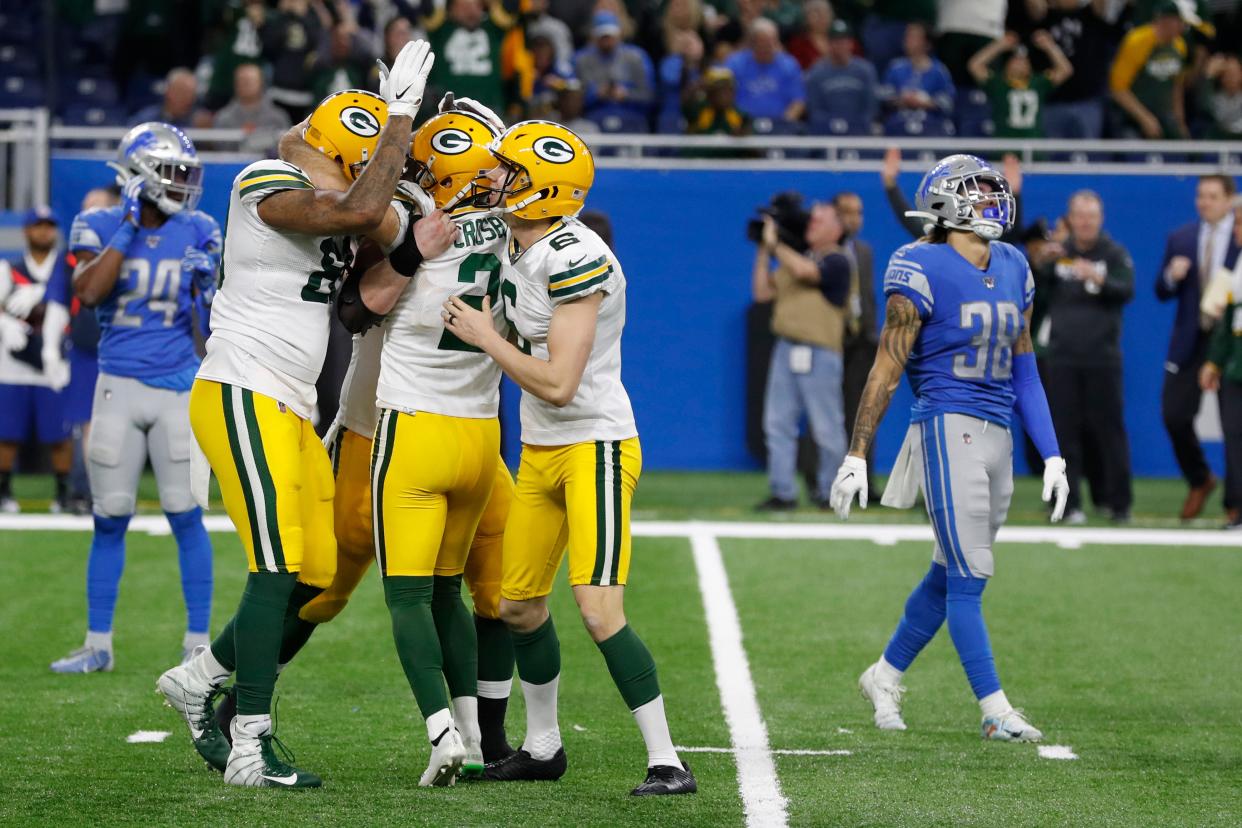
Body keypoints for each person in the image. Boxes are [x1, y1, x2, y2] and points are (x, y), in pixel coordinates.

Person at [154, 42, 436, 789]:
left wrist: (417, 192)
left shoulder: (344, 193)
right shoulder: (264, 181)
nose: (305, 142)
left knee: (316, 576)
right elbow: (361, 206)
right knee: (275, 565)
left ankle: (200, 675)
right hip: (241, 389)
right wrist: (399, 121)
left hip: (290, 405)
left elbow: (394, 227)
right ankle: (249, 741)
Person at [442, 121, 696, 796]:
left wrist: (481, 336)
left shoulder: (575, 254)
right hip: (543, 449)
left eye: (510, 173)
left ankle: (667, 759)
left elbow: (558, 381)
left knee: (597, 609)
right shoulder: (519, 241)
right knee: (517, 604)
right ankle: (544, 745)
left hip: (596, 445)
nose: (496, 180)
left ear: (545, 191)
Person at [272, 98, 519, 781]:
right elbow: (353, 304)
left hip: (440, 422)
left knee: (486, 589)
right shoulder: (407, 213)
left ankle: (483, 738)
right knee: (329, 584)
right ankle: (236, 692)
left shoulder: (443, 215)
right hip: (384, 422)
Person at [829, 154, 1069, 742]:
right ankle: (994, 708)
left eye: (994, 190)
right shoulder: (918, 263)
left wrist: (1054, 454)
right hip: (944, 421)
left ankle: (883, 675)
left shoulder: (1015, 264)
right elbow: (888, 365)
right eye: (978, 191)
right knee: (969, 574)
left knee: (952, 571)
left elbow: (1026, 372)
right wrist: (858, 453)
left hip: (998, 433)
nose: (993, 200)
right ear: (944, 202)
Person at [48, 124, 219, 676]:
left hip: (178, 386)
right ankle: (98, 643)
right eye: (173, 173)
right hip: (117, 385)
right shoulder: (98, 223)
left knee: (186, 515)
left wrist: (205, 289)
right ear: (141, 174)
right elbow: (90, 292)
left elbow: (210, 325)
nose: (184, 184)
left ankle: (198, 644)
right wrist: (125, 228)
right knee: (110, 517)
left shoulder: (199, 227)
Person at [1038, 191, 1134, 523]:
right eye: (1079, 216)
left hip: (1102, 357)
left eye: (1091, 216)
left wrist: (1098, 278)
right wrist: (1043, 262)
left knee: (1109, 432)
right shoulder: (1059, 255)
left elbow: (1127, 291)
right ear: (1071, 219)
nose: (1085, 222)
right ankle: (1068, 503)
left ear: (1100, 218)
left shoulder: (1114, 253)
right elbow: (1038, 292)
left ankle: (1119, 504)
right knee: (1064, 434)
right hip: (1063, 356)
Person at [751, 202, 852, 510]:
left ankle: (830, 492)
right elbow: (762, 293)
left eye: (819, 220)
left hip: (820, 353)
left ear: (837, 228)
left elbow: (806, 273)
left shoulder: (838, 260)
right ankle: (783, 491)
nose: (811, 224)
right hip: (786, 348)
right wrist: (764, 250)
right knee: (777, 423)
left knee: (826, 426)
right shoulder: (794, 258)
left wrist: (775, 243)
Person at [1157, 174, 1240, 520]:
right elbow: (1160, 291)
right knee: (1174, 414)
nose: (1204, 202)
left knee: (1234, 424)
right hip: (1191, 341)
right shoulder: (1181, 237)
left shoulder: (1240, 237)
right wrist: (1170, 277)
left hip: (1233, 343)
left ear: (1229, 200)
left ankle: (1235, 504)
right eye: (1200, 195)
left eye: (1212, 196)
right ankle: (1200, 478)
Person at [0, 208, 74, 514]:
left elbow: (79, 300)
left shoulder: (65, 267)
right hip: (13, 362)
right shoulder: (9, 267)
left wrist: (44, 292)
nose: (44, 232)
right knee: (7, 431)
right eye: (37, 226)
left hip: (54, 360)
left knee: (59, 432)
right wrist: (5, 323)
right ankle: (3, 491)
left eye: (49, 226)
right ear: (27, 231)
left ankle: (64, 492)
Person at [1197, 196, 1242, 527]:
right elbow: (1229, 318)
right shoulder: (1236, 264)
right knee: (1235, 437)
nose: (1237, 231)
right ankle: (1236, 507)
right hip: (1235, 366)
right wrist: (1214, 362)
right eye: (1236, 223)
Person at [880, 146, 1025, 243]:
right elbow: (914, 225)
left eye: (992, 193)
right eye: (980, 190)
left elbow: (1012, 235)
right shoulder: (942, 242)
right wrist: (890, 184)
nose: (990, 200)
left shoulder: (999, 249)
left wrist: (1015, 194)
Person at [833, 192, 877, 491]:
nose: (854, 219)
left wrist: (873, 333)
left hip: (862, 340)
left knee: (864, 412)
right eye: (848, 212)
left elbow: (867, 296)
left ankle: (863, 482)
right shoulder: (823, 251)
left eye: (859, 213)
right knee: (828, 414)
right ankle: (824, 481)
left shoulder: (863, 251)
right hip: (833, 340)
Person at [1027, 0, 1119, 140]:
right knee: (1051, 156)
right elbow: (1034, 7)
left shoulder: (1090, 15)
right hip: (1052, 101)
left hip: (1087, 101)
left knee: (1089, 155)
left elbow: (1100, 5)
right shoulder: (1045, 17)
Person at [967, 30, 1072, 140]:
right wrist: (999, 45)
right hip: (1004, 149)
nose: (1019, 63)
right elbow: (974, 65)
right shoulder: (998, 83)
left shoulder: (1038, 83)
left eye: (1023, 60)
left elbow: (1065, 70)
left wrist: (1050, 46)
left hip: (1034, 148)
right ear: (1007, 64)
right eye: (1015, 59)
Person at [1109, 1, 1190, 141]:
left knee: (1186, 148)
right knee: (1133, 148)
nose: (1183, 27)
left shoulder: (1179, 45)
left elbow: (1177, 87)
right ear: (1167, 21)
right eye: (1180, 22)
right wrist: (1144, 118)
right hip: (1131, 117)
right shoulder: (1136, 41)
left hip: (1163, 115)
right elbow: (1117, 89)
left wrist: (1180, 122)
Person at [574, 11, 656, 128]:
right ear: (593, 36)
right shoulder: (581, 60)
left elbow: (649, 95)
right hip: (593, 118)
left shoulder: (637, 57)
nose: (607, 40)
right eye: (602, 36)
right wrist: (596, 94)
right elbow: (573, 98)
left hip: (632, 118)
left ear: (619, 34)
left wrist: (626, 94)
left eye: (610, 35)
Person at [723, 18, 805, 126]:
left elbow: (798, 102)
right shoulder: (735, 64)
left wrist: (784, 124)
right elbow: (723, 97)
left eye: (772, 42)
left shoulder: (789, 65)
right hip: (741, 126)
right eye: (764, 42)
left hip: (780, 127)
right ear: (752, 43)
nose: (769, 47)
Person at [878, 22, 955, 137]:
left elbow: (948, 101)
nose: (908, 40)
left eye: (914, 37)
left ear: (927, 43)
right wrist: (903, 99)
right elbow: (883, 95)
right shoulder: (895, 67)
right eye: (907, 36)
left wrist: (926, 102)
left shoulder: (939, 70)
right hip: (899, 121)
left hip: (931, 124)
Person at [804, 19, 878, 136]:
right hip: (826, 134)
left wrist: (855, 127)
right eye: (835, 41)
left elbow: (870, 108)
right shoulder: (816, 72)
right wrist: (835, 126)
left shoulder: (865, 71)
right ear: (828, 44)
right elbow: (815, 111)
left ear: (851, 43)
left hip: (859, 133)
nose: (840, 46)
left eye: (843, 41)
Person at [211, 63, 292, 156]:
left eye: (250, 81)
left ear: (261, 83)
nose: (245, 84)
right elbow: (220, 150)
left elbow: (287, 149)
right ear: (235, 84)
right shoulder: (223, 117)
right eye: (242, 81)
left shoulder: (278, 117)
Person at [131, 68, 209, 128]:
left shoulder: (199, 122)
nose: (187, 97)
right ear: (168, 91)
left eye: (191, 93)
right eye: (182, 91)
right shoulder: (146, 119)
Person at [787, 0, 834, 70]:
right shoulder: (798, 44)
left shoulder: (841, 39)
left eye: (826, 13)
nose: (822, 18)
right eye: (816, 13)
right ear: (806, 17)